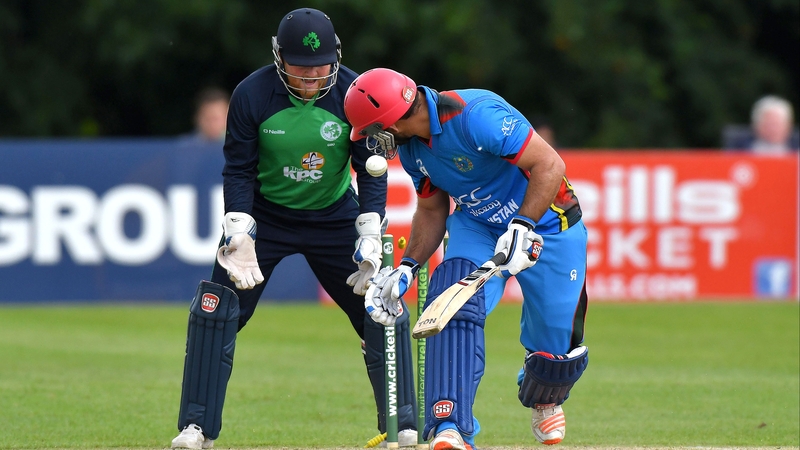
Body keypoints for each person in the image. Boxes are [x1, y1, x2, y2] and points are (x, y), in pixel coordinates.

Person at [170, 10, 417, 449]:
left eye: (320, 67)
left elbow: (372, 169)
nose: (311, 78)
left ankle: (402, 424)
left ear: (336, 56)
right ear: (279, 58)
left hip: (334, 214)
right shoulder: (252, 94)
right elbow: (239, 170)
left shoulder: (353, 92)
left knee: (383, 306)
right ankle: (197, 428)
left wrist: (370, 232)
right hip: (267, 216)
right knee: (215, 310)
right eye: (300, 69)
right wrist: (239, 233)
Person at [343, 68, 589, 448]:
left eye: (375, 130)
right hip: (478, 226)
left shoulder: (474, 115)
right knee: (453, 305)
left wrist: (522, 226)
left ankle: (544, 397)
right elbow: (430, 211)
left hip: (549, 223)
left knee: (557, 352)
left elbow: (550, 165)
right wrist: (408, 268)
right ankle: (450, 425)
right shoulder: (411, 150)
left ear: (396, 117)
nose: (375, 141)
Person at [723, 95, 799, 153]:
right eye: (769, 124)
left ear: (789, 125)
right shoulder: (740, 150)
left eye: (777, 124)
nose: (773, 129)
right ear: (756, 125)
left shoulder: (796, 151)